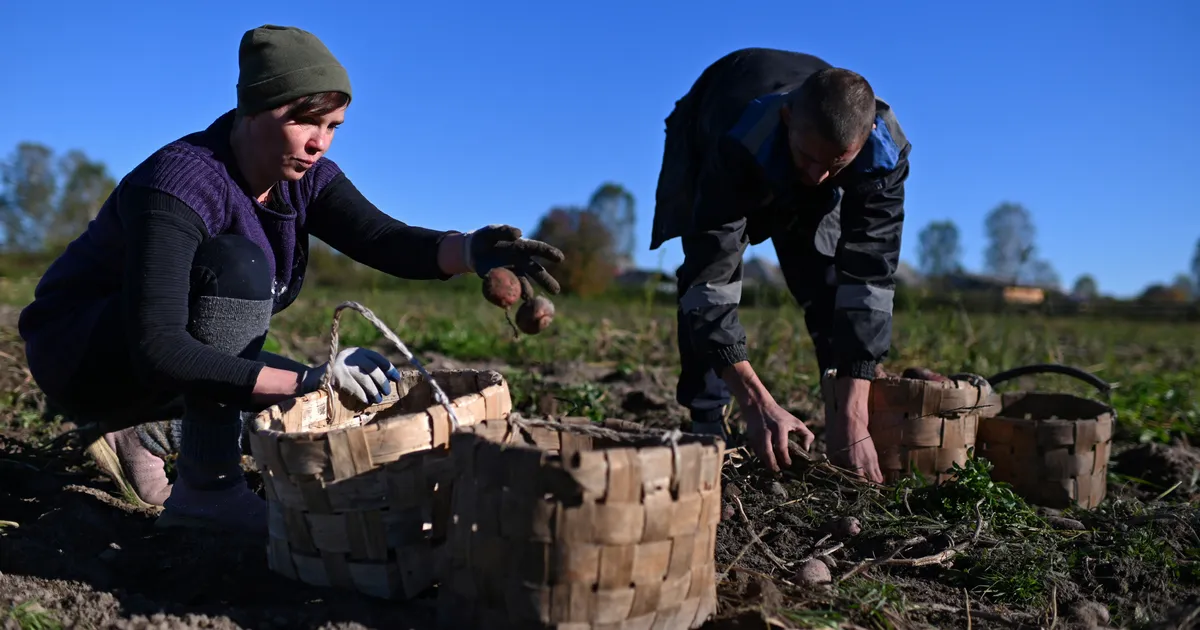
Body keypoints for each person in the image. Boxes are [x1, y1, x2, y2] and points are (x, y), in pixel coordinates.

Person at [16, 24, 564, 535]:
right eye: (304, 121)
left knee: (320, 409)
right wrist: (311, 380)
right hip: (87, 351)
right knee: (244, 272)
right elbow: (158, 346)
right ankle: (208, 490)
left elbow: (382, 238)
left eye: (332, 127)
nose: (319, 142)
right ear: (253, 109)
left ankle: (146, 435)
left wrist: (470, 250)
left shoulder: (300, 178)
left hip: (167, 360)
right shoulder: (179, 184)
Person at [650, 48, 911, 483]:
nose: (816, 178)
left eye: (834, 166)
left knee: (827, 280)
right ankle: (708, 420)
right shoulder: (736, 142)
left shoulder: (881, 155)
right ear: (789, 119)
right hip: (713, 118)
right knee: (701, 284)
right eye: (808, 159)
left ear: (861, 143)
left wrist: (855, 410)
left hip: (804, 142)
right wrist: (757, 404)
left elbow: (870, 276)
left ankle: (842, 419)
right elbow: (708, 280)